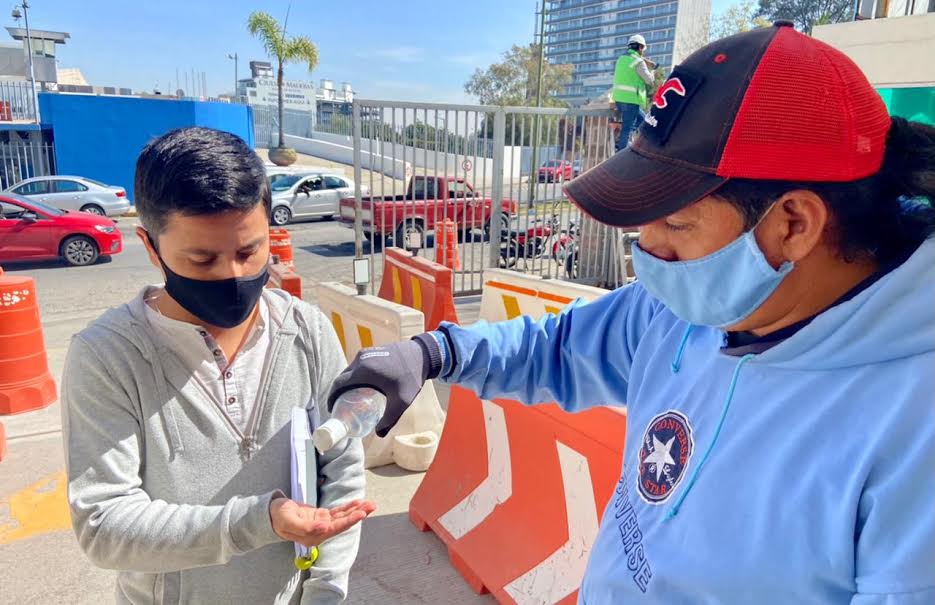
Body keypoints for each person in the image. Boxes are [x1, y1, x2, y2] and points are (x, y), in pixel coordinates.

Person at [329, 22, 935, 603]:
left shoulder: (912, 431)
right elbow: (558, 348)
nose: (647, 248)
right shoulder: (681, 311)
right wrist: (437, 352)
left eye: (676, 221)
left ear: (793, 224)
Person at [61, 127, 376, 605]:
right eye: (202, 259)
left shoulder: (308, 332)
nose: (233, 275)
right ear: (151, 248)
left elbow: (342, 470)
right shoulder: (108, 356)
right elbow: (104, 525)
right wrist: (255, 522)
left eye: (250, 251)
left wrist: (326, 591)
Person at [613, 33, 655, 152]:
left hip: (619, 99)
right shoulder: (638, 62)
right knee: (628, 128)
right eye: (643, 49)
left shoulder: (621, 59)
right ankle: (621, 155)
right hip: (631, 99)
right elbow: (649, 81)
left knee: (644, 120)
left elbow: (629, 71)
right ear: (640, 48)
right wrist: (652, 70)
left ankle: (624, 141)